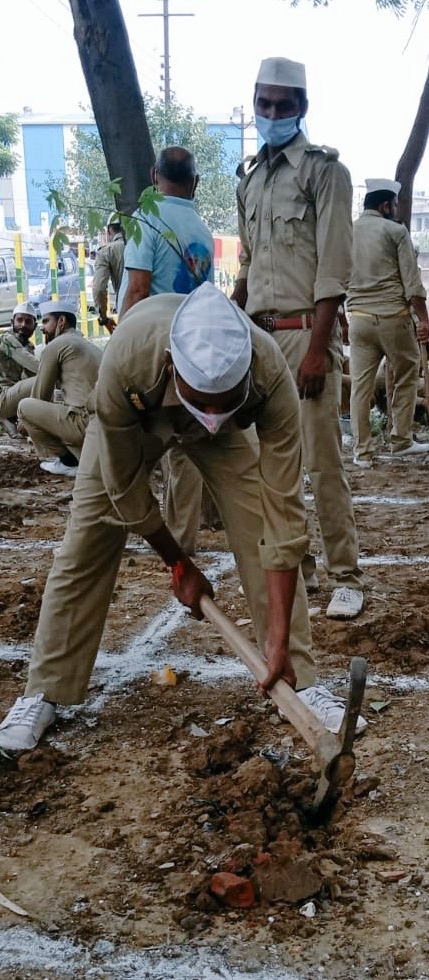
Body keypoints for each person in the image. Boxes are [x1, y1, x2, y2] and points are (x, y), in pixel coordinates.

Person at [0, 284, 366, 753]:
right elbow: (124, 487)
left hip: (235, 423)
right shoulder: (126, 362)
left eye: (221, 399)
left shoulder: (269, 377)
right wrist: (178, 564)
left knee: (258, 521)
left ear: (246, 372)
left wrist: (277, 642)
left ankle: (297, 677)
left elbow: (283, 517)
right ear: (172, 364)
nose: (210, 415)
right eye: (202, 401)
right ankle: (44, 690)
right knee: (88, 535)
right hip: (138, 415)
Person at [231, 56, 363, 621]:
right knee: (270, 466)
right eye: (264, 104)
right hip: (259, 341)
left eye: (284, 106)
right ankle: (299, 567)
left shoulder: (324, 172)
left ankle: (346, 573)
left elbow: (333, 265)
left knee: (321, 460)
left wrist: (318, 347)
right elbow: (248, 264)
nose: (272, 114)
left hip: (305, 336)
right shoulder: (251, 179)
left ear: (302, 109)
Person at [118, 145, 215, 556]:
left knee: (127, 447)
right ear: (195, 183)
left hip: (152, 350)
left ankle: (117, 532)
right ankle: (182, 537)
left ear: (155, 175)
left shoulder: (147, 220)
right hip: (192, 351)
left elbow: (138, 290)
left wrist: (121, 350)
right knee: (187, 451)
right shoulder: (204, 231)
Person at [347, 178, 429, 466]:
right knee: (408, 374)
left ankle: (362, 452)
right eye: (394, 205)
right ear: (385, 206)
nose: (396, 210)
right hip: (394, 318)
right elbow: (412, 283)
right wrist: (424, 320)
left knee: (360, 385)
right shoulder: (396, 231)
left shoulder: (348, 231)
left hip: (358, 320)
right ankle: (401, 440)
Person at [17, 300, 102, 477]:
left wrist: (23, 424)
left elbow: (39, 396)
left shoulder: (57, 345)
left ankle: (68, 462)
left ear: (61, 321)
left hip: (85, 423)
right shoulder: (89, 345)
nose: (42, 328)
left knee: (25, 407)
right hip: (104, 423)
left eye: (46, 321)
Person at [0, 302, 38, 437]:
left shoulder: (27, 347)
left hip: (6, 397)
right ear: (12, 322)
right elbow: (39, 369)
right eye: (19, 320)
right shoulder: (7, 340)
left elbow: (31, 374)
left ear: (34, 326)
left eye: (28, 321)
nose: (23, 325)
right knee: (45, 380)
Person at [92, 218, 125, 334]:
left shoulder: (107, 251)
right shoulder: (144, 245)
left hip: (127, 308)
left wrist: (103, 318)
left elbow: (99, 288)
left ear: (109, 231)